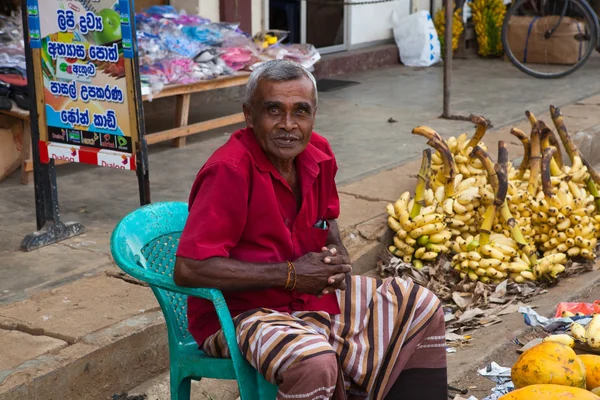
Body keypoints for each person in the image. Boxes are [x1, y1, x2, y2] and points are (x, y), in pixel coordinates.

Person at [174, 60, 447, 399]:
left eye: (300, 111)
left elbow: (326, 220)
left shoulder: (317, 154)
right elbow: (188, 269)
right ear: (249, 115)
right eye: (274, 111)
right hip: (237, 315)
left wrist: (337, 258)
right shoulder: (229, 171)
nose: (288, 125)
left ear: (313, 114)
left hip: (304, 296)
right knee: (313, 360)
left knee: (420, 304)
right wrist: (290, 274)